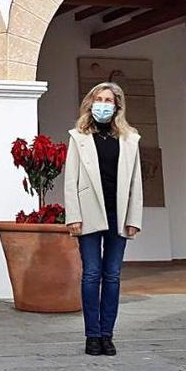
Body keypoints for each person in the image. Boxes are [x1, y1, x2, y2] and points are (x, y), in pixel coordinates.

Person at [64, 82, 142, 356]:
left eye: (108, 100)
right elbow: (70, 180)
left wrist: (134, 218)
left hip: (118, 215)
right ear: (90, 103)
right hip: (88, 215)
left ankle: (107, 334)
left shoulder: (130, 139)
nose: (103, 104)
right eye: (98, 99)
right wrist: (72, 216)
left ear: (117, 105)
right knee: (92, 274)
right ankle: (92, 335)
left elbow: (136, 183)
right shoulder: (79, 137)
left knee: (113, 275)